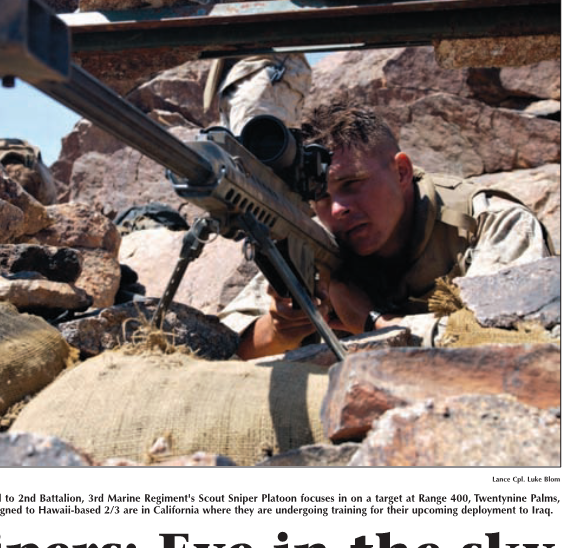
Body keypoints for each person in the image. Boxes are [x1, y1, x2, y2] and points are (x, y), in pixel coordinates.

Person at [226, 105, 548, 358]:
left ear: (402, 171)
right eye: (321, 197)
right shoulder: (320, 248)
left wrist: (372, 321)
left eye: (352, 184)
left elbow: (508, 346)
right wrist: (279, 330)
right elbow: (219, 352)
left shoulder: (490, 224)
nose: (337, 209)